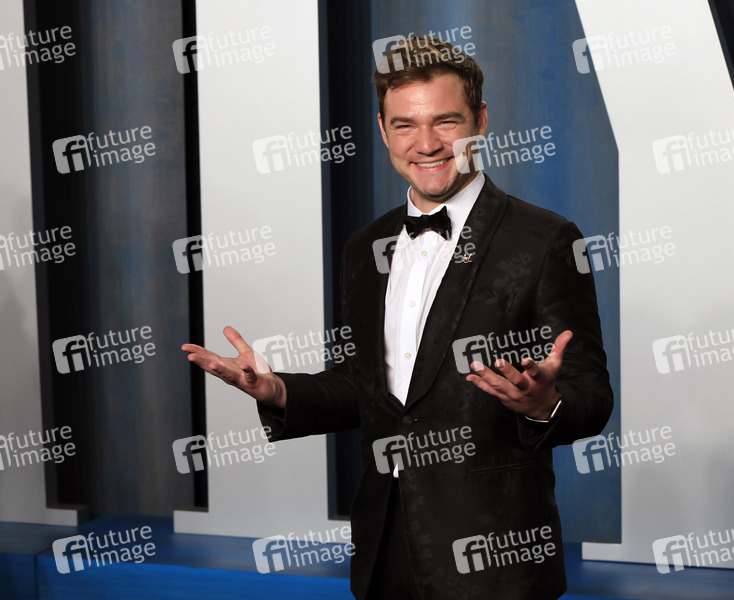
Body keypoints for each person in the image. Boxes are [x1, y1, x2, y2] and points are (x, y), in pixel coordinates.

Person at [182, 35, 613, 600]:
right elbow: (370, 390)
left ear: (481, 120)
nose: (426, 144)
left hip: (495, 559)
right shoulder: (367, 247)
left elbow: (591, 395)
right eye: (405, 125)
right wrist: (279, 391)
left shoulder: (545, 239)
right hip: (385, 549)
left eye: (446, 121)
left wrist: (543, 404)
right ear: (384, 131)